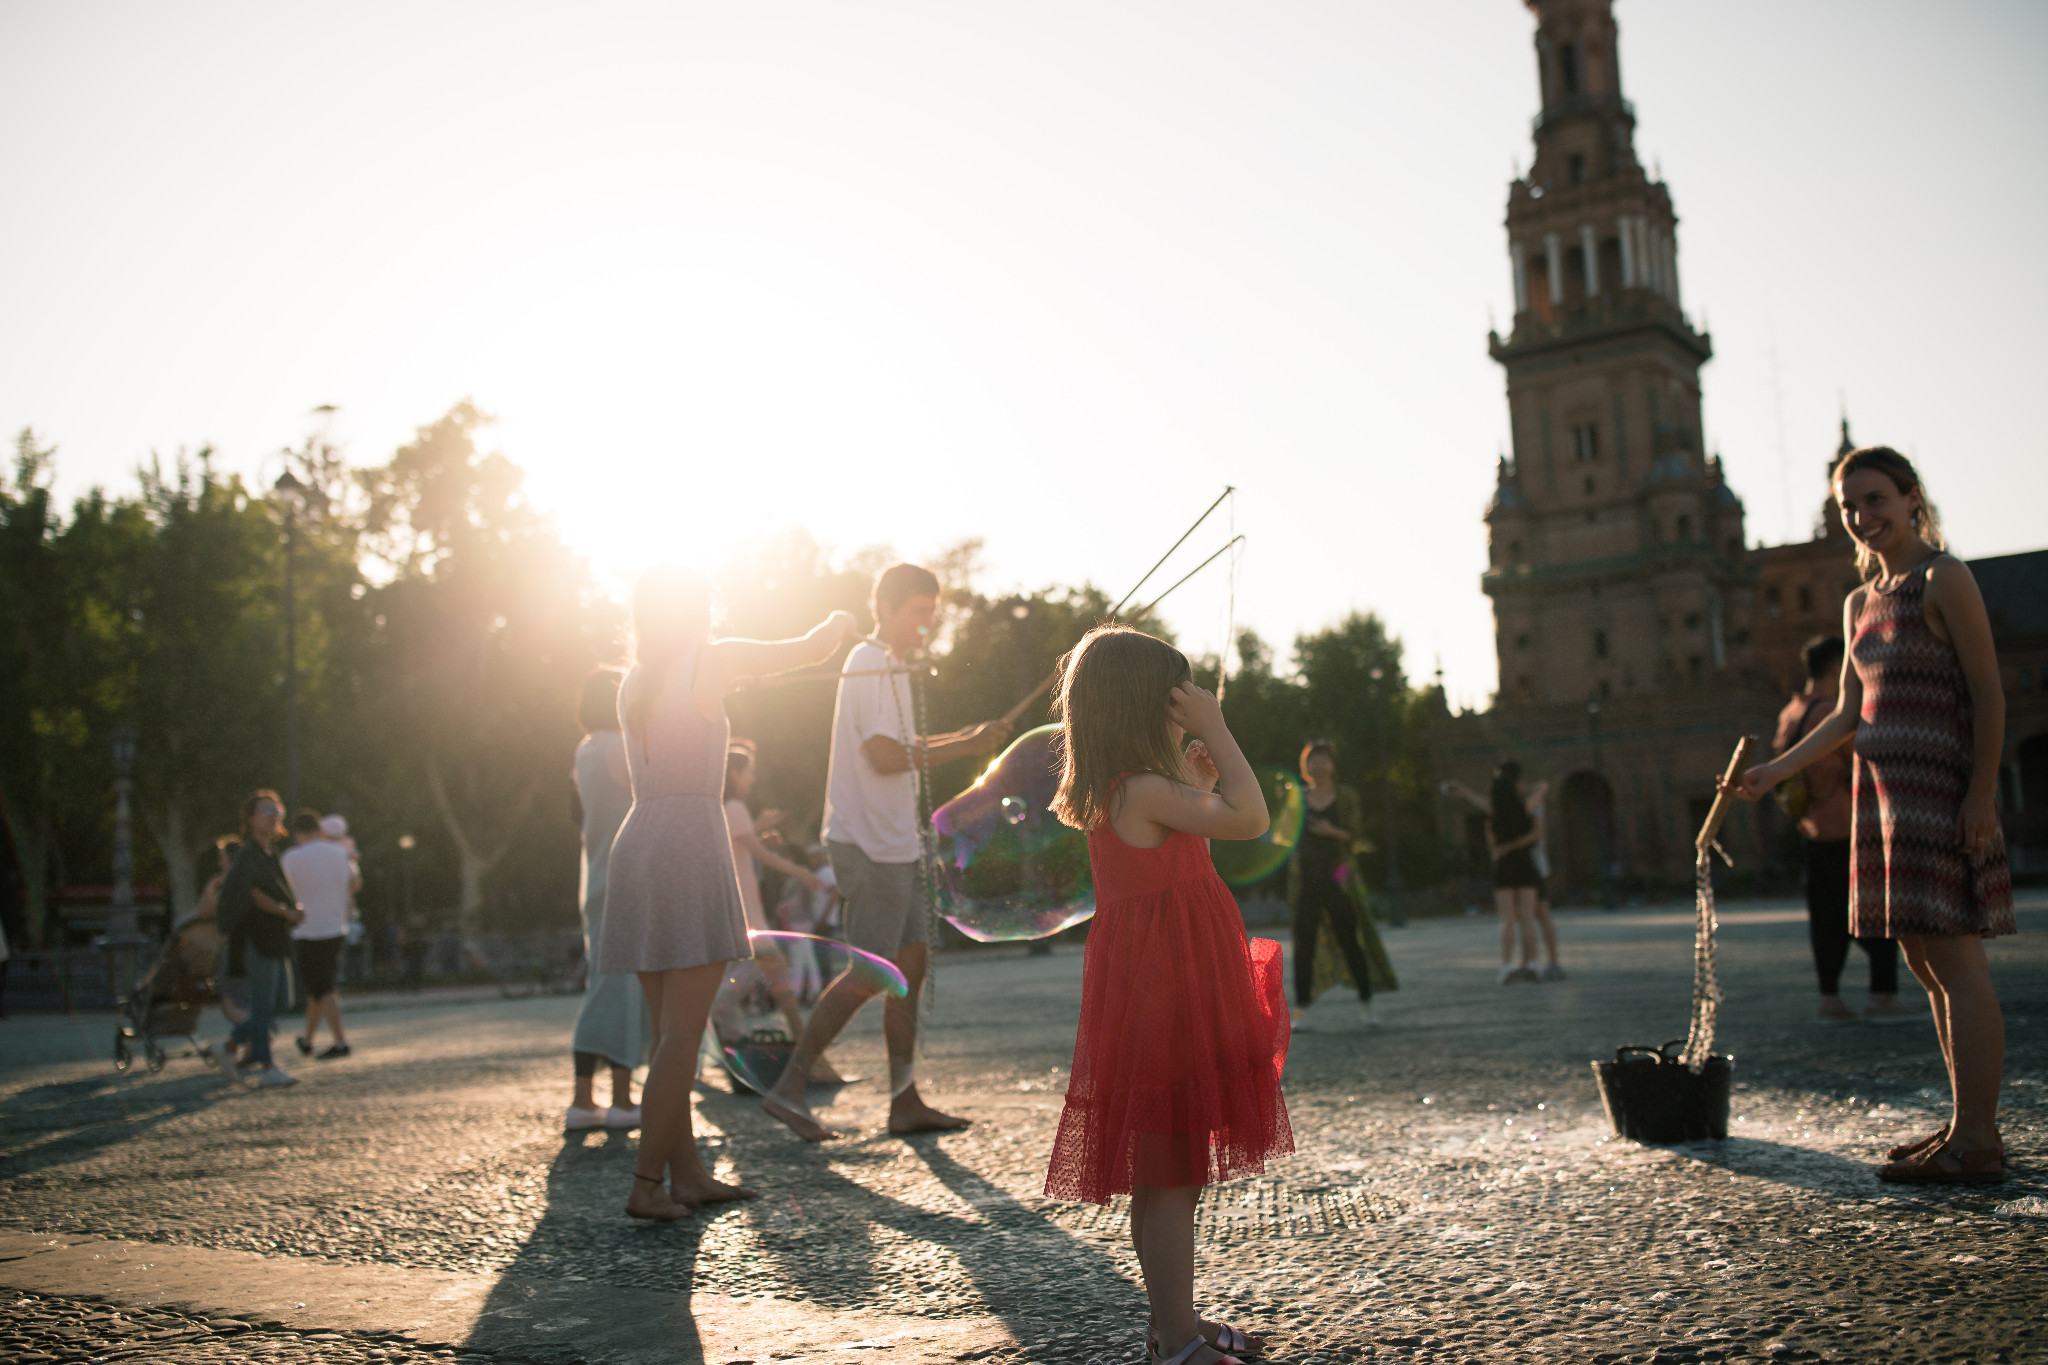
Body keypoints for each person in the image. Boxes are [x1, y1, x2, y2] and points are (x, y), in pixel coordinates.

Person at [1732, 446, 2014, 1184]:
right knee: (1923, 962)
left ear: (1912, 497)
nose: (1864, 517)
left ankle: (1980, 1140)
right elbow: (1851, 715)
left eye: (1876, 499)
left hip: (1941, 793)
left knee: (1956, 959)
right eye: (1851, 505)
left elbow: (1988, 692)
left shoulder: (1944, 578)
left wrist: (1981, 793)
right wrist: (1775, 769)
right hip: (1884, 804)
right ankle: (1963, 1125)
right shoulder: (1861, 601)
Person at [1042, 625, 1289, 1365]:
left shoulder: (1125, 791)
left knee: (1162, 1177)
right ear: (1141, 708)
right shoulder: (1145, 789)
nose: (1187, 714)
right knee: (1176, 1174)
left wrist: (1201, 789)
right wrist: (1220, 729)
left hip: (1158, 989)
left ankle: (1169, 1322)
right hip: (1176, 992)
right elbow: (1254, 820)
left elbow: (1186, 858)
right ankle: (1180, 1342)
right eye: (1175, 702)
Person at [597, 563, 858, 1220]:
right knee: (682, 1037)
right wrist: (842, 621)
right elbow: (810, 649)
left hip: (639, 838)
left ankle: (686, 1174)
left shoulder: (633, 680)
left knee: (667, 1037)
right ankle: (646, 1183)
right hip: (687, 838)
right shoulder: (709, 661)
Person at [760, 563, 1013, 1142]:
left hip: (894, 842)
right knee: (872, 971)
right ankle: (790, 1088)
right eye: (919, 611)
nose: (928, 623)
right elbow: (882, 756)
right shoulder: (871, 661)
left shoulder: (891, 665)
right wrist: (964, 747)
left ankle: (904, 1100)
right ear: (888, 609)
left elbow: (903, 747)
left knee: (911, 965)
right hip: (867, 842)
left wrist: (967, 740)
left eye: (932, 612)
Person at [1773, 634, 1910, 1025]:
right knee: (1875, 913)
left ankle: (1830, 1000)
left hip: (1812, 828)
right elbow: (1865, 761)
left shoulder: (1791, 712)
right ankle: (1883, 995)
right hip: (1849, 826)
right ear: (1837, 668)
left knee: (1827, 920)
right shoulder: (1832, 714)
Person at [718, 740, 843, 1072]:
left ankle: (809, 1059)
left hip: (743, 907)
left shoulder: (727, 809)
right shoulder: (734, 806)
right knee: (774, 974)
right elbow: (759, 855)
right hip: (745, 908)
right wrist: (801, 870)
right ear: (734, 772)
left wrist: (758, 831)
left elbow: (745, 845)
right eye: (750, 772)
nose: (753, 779)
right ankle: (810, 1062)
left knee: (775, 977)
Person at [567, 666, 647, 1134]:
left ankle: (587, 1098)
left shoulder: (587, 748)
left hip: (599, 874)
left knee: (607, 983)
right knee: (619, 988)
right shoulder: (619, 746)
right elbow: (656, 789)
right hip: (626, 878)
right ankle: (618, 1098)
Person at [1287, 741, 1396, 1029]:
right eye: (1312, 760)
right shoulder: (1297, 797)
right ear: (1305, 765)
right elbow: (1285, 837)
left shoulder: (1345, 796)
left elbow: (1357, 836)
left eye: (1323, 760)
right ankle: (1302, 1010)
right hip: (1306, 880)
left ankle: (1367, 1004)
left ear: (1333, 765)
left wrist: (1330, 830)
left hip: (1338, 877)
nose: (1318, 766)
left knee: (1351, 940)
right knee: (1304, 945)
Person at [208, 790, 305, 1088]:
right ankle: (267, 1067)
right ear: (250, 820)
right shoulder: (248, 853)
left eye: (277, 810)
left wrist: (291, 910)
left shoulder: (267, 852)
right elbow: (252, 893)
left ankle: (227, 1047)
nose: (274, 815)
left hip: (273, 936)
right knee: (264, 1005)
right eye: (266, 811)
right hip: (255, 937)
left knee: (281, 1002)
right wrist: (285, 912)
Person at [1443, 775, 1564, 980]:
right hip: (1526, 864)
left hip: (1507, 866)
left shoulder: (1495, 812)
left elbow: (1480, 808)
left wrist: (1462, 789)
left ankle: (1510, 964)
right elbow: (1543, 788)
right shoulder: (1525, 807)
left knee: (1510, 918)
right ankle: (1532, 963)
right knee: (1527, 917)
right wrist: (1528, 789)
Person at [283, 809, 360, 1059]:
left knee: (322, 987)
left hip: (306, 929)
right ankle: (308, 1039)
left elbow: (283, 889)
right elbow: (356, 883)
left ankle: (340, 1042)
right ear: (320, 829)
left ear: (297, 833)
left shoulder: (291, 857)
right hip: (336, 926)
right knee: (319, 988)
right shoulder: (340, 853)